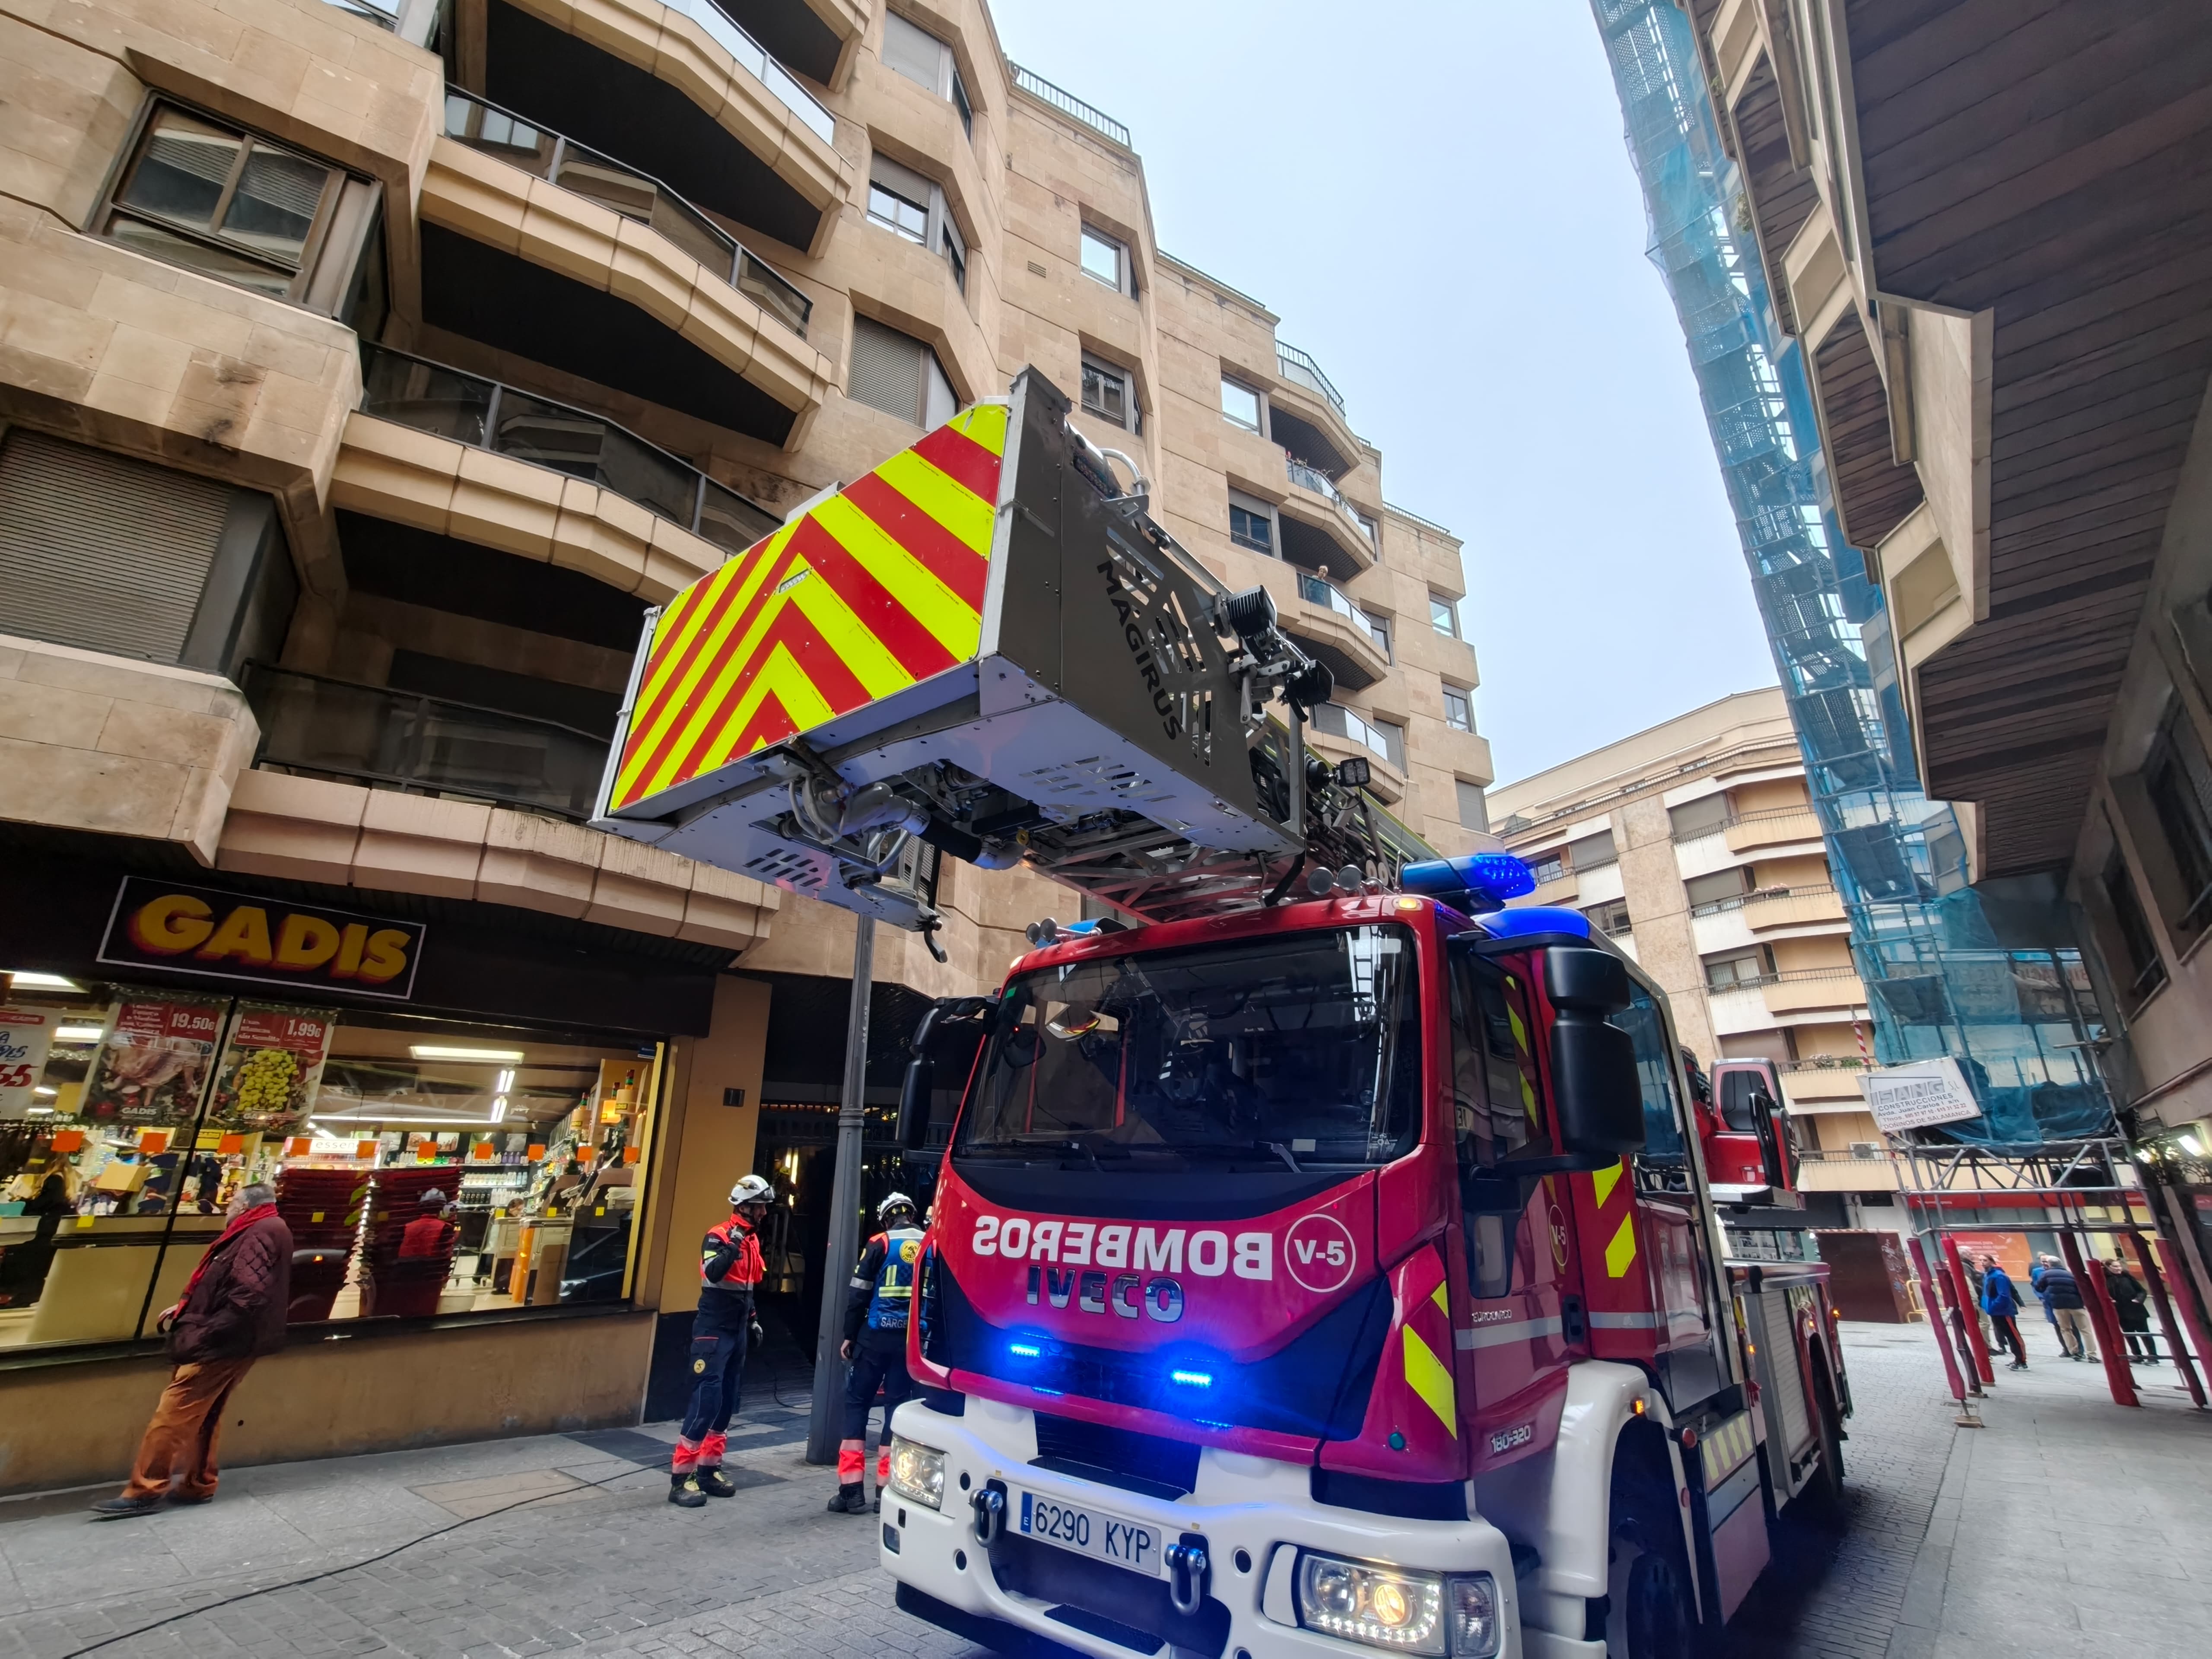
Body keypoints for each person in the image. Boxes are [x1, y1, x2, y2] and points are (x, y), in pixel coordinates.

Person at [90, 1183, 292, 1517]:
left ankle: (146, 1489)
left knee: (174, 1410)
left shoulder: (258, 1232)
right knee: (207, 1413)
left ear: (244, 1207)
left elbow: (248, 1295)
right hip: (237, 1340)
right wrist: (189, 1307)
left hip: (223, 1342)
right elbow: (230, 1283)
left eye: (231, 1203)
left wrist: (206, 1330)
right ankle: (199, 1483)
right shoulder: (265, 1227)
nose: (226, 1209)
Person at [671, 1174, 771, 1508]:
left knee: (727, 1403)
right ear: (745, 1207)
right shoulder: (718, 1236)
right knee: (707, 1401)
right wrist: (735, 1243)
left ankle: (709, 1471)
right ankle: (681, 1478)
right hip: (713, 1331)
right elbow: (713, 1273)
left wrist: (753, 1320)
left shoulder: (753, 1242)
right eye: (760, 1208)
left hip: (737, 1329)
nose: (764, 1214)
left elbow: (748, 1286)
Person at [830, 1192, 926, 1516]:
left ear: (887, 1218)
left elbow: (859, 1293)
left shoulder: (879, 1243)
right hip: (909, 1341)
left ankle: (851, 1492)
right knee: (896, 1410)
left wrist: (848, 1335)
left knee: (857, 1403)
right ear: (910, 1215)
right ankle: (886, 1492)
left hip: (874, 1339)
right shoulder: (930, 1243)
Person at [2034, 1254, 2095, 1361]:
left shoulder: (2046, 1274)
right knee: (2085, 1330)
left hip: (2059, 1305)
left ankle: (2074, 1351)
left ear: (2049, 1265)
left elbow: (2039, 1288)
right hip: (2076, 1305)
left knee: (2066, 1329)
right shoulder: (2071, 1274)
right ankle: (2092, 1354)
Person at [2103, 1258, 2158, 1363]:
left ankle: (2153, 1356)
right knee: (2130, 1335)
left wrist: (2138, 1300)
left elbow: (2142, 1291)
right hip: (2121, 1311)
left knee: (2145, 1334)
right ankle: (2137, 1355)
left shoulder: (2127, 1277)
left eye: (2119, 1266)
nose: (2118, 1269)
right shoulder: (2106, 1280)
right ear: (2108, 1268)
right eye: (2115, 1267)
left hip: (2136, 1310)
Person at [1979, 1255, 2027, 1370]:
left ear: (1991, 1262)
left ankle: (2021, 1361)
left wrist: (1993, 1306)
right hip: (1995, 1311)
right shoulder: (1987, 1275)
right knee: (2008, 1335)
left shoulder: (1999, 1276)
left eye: (1985, 1260)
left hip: (2003, 1311)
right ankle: (2017, 1359)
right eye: (1981, 1260)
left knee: (2013, 1336)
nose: (1982, 1263)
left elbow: (2004, 1295)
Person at [397, 1190, 456, 1260]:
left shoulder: (408, 1226)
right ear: (442, 1209)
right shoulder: (445, 1227)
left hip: (404, 1266)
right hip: (430, 1265)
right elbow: (446, 1252)